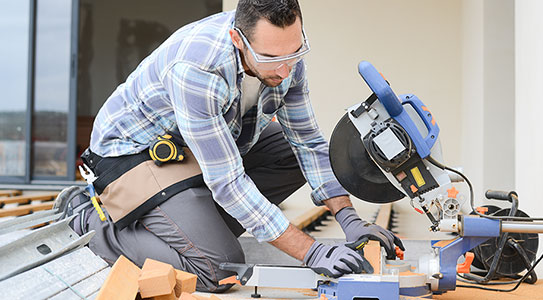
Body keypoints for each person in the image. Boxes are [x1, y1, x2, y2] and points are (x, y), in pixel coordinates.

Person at [55, 0, 404, 293]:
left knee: (292, 153)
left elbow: (307, 142)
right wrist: (310, 250)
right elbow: (227, 181)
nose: (285, 70)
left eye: (295, 52)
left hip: (195, 149)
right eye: (270, 58)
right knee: (217, 269)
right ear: (239, 39)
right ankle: (88, 219)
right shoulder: (197, 69)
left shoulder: (284, 57)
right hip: (133, 156)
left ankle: (191, 224)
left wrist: (348, 218)